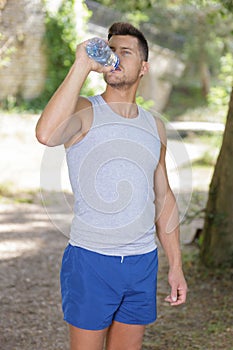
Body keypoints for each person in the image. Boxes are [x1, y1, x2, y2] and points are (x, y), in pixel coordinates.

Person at [36, 22, 187, 350]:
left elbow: (164, 197)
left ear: (143, 67)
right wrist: (82, 64)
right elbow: (46, 134)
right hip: (91, 259)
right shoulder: (84, 111)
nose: (115, 57)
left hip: (142, 261)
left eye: (126, 52)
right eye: (111, 50)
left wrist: (175, 265)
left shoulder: (155, 126)